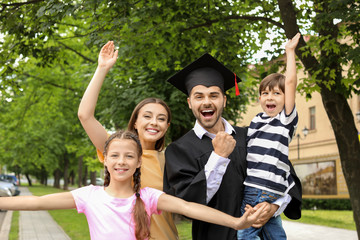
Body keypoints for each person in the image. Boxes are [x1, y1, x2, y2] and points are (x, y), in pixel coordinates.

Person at [0, 130, 267, 240]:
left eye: (129, 156)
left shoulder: (149, 197)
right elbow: (34, 202)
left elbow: (189, 206)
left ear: (139, 163)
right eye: (114, 156)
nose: (121, 162)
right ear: (105, 161)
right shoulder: (89, 196)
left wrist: (236, 223)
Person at [164, 49, 302, 240]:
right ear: (189, 102)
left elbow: (285, 174)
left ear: (224, 100)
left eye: (214, 95)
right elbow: (185, 205)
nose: (207, 102)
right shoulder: (179, 150)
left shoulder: (251, 135)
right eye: (199, 96)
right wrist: (218, 157)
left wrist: (274, 206)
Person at [77, 41, 177, 239]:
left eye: (161, 119)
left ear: (166, 127)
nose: (154, 123)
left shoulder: (172, 159)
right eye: (147, 116)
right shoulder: (122, 153)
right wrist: (102, 69)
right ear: (136, 121)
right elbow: (85, 115)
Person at [237, 33, 301, 240]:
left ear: (286, 98)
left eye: (276, 93)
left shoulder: (285, 119)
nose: (269, 97)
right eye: (265, 93)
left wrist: (289, 52)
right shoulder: (256, 121)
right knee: (275, 236)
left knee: (245, 235)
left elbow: (290, 82)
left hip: (261, 189)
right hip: (256, 187)